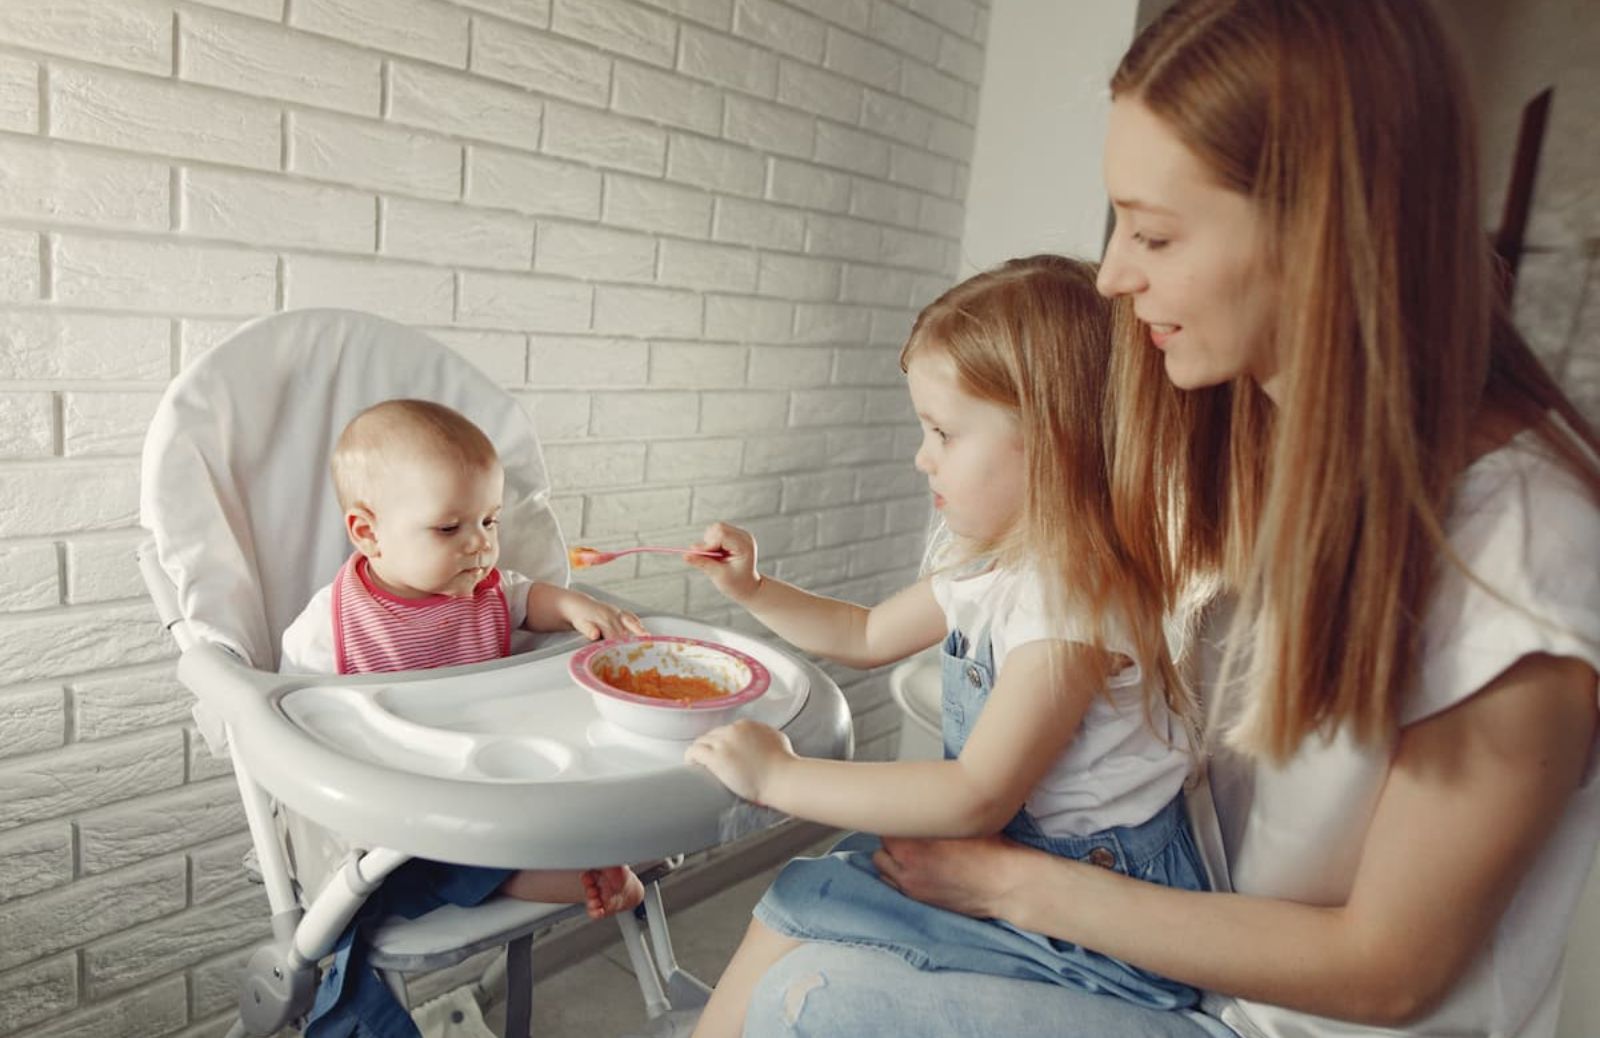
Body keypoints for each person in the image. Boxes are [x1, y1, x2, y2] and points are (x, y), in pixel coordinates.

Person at [737, 2, 1600, 1037]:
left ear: (1322, 228)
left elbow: (1388, 974)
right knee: (806, 904)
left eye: (1151, 232)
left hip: (1292, 1017)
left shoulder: (1523, 557)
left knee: (809, 1000)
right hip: (1193, 947)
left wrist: (1012, 886)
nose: (1111, 274)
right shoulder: (1249, 436)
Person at [681, 255, 1210, 1038]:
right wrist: (756, 590)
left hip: (1099, 906)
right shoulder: (996, 565)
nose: (922, 456)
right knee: (804, 892)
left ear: (1055, 441)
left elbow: (975, 795)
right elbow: (863, 635)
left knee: (811, 905)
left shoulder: (1075, 599)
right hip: (1020, 852)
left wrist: (779, 778)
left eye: (943, 432)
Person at [279, 399, 647, 1037]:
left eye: (489, 520)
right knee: (418, 868)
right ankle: (589, 871)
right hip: (391, 815)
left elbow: (529, 598)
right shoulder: (330, 629)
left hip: (486, 794)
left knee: (556, 823)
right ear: (367, 533)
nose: (480, 544)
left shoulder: (484, 592)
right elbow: (291, 723)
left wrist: (577, 609)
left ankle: (603, 870)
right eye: (450, 529)